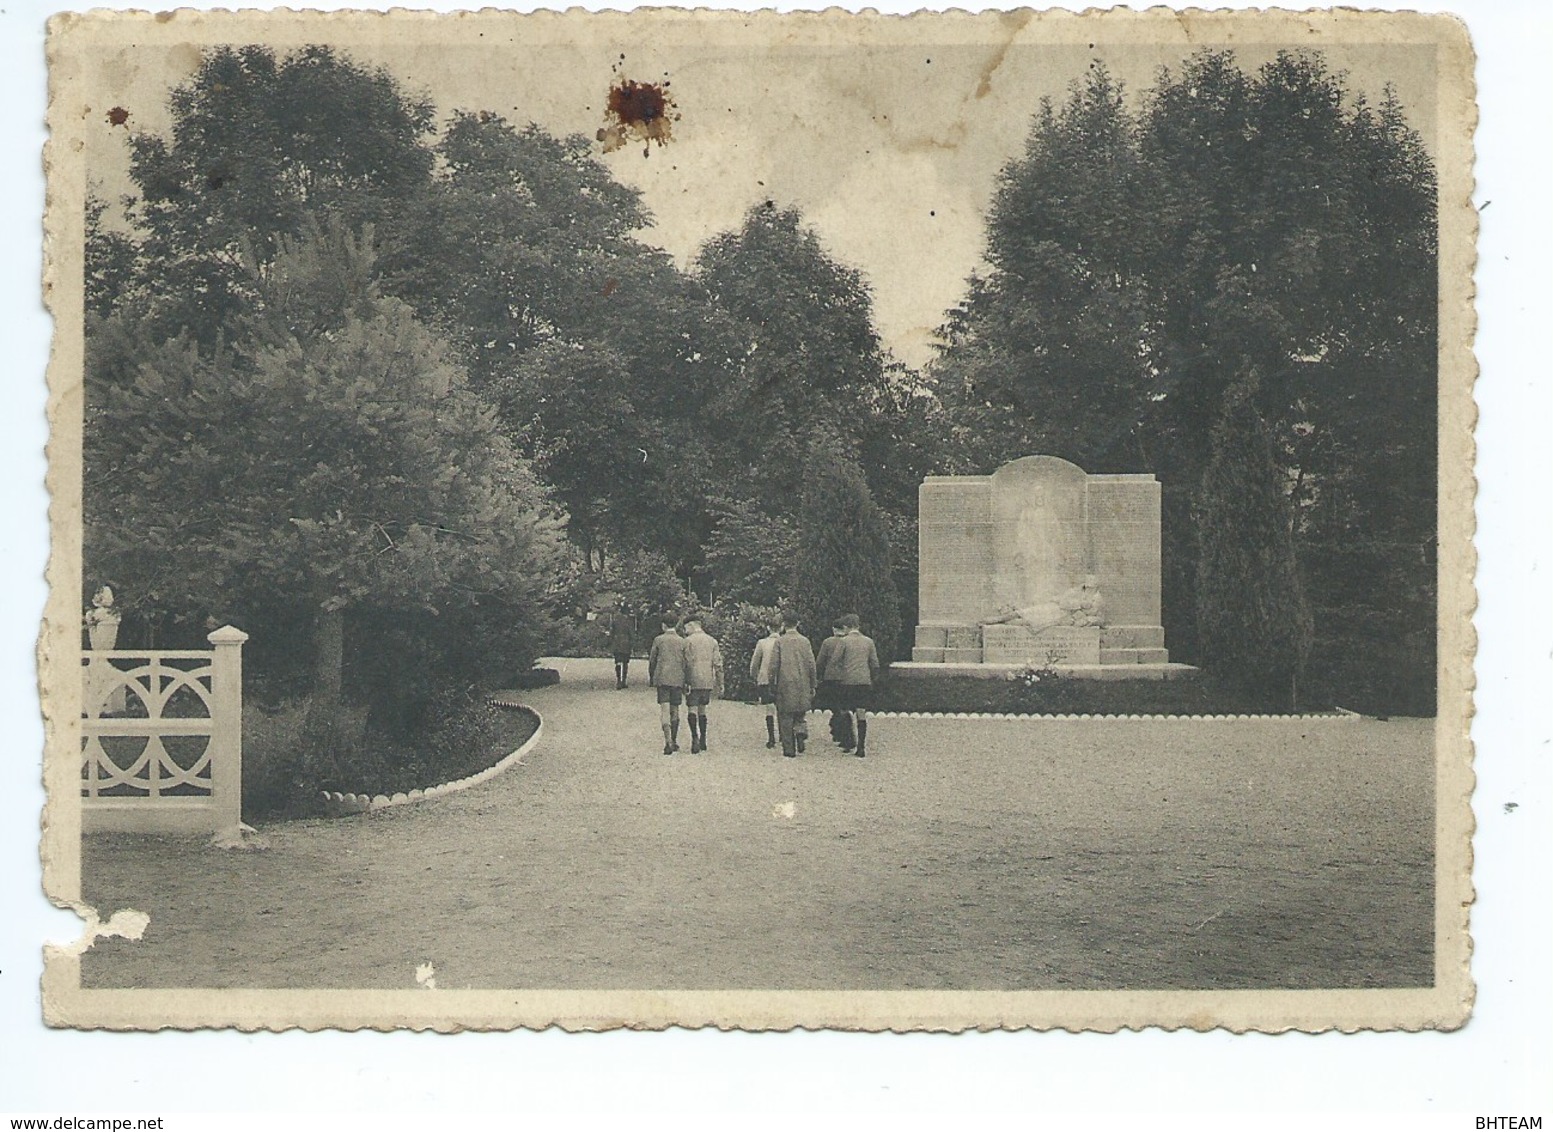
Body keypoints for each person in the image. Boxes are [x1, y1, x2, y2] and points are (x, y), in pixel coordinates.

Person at [826, 612, 881, 757]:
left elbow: (834, 661)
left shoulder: (844, 642)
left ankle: (848, 741)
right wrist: (872, 678)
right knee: (861, 712)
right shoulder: (869, 642)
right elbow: (875, 663)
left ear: (846, 626)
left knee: (846, 711)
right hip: (864, 681)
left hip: (847, 681)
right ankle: (861, 747)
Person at [767, 610, 817, 758]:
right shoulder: (805, 641)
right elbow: (811, 664)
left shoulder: (780, 642)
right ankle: (800, 731)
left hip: (785, 682)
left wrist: (772, 683)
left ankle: (789, 750)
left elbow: (774, 665)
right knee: (800, 713)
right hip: (802, 682)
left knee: (786, 715)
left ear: (783, 624)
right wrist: (813, 684)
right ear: (798, 624)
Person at [681, 614, 724, 754]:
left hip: (692, 680)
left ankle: (695, 738)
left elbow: (685, 662)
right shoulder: (712, 641)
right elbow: (718, 664)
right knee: (702, 710)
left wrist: (684, 680)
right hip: (707, 680)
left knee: (692, 709)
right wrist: (720, 682)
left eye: (686, 627)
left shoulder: (687, 641)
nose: (684, 630)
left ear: (692, 625)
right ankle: (704, 738)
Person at [648, 613, 689, 755]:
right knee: (675, 710)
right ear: (677, 625)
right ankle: (674, 739)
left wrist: (652, 675)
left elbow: (652, 659)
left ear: (663, 625)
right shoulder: (683, 641)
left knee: (664, 710)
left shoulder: (658, 640)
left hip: (663, 678)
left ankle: (667, 742)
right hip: (678, 679)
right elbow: (686, 662)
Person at [813, 617, 848, 749]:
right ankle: (842, 733)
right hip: (846, 678)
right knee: (843, 706)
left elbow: (820, 661)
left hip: (831, 678)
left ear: (833, 629)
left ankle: (838, 731)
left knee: (835, 706)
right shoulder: (848, 642)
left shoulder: (828, 642)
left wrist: (818, 676)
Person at [748, 617, 782, 749]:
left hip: (765, 678)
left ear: (768, 628)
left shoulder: (762, 643)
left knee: (769, 708)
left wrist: (755, 676)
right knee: (782, 708)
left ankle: (771, 738)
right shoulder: (784, 641)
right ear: (782, 627)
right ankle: (784, 735)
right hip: (781, 679)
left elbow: (755, 663)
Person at [608, 603, 635, 689]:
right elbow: (631, 634)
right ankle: (624, 681)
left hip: (617, 643)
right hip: (626, 643)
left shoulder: (615, 620)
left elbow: (611, 632)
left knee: (618, 662)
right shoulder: (629, 621)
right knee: (625, 663)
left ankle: (618, 680)